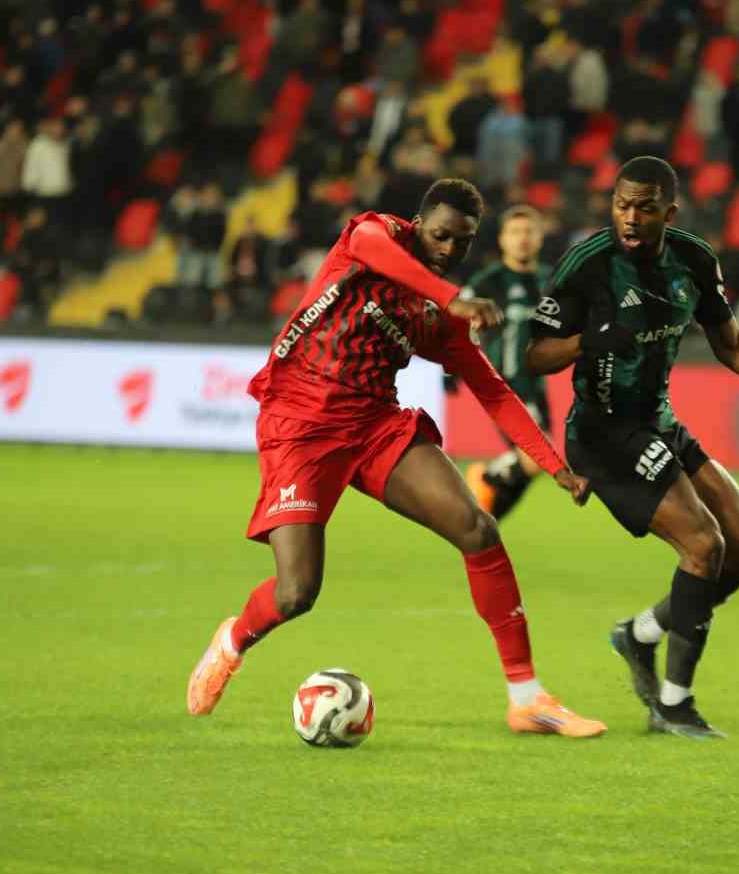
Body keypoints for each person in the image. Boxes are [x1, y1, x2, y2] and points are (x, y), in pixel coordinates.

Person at [187, 179, 606, 738]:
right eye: (440, 235)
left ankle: (527, 698)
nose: (449, 250)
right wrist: (450, 294)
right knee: (296, 593)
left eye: (462, 243)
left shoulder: (437, 313)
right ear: (418, 223)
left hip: (373, 425)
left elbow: (494, 390)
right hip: (300, 424)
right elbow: (372, 246)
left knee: (477, 528)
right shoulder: (374, 233)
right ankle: (233, 641)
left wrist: (554, 466)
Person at [527, 157, 739, 739]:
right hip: (602, 434)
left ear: (669, 213)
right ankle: (673, 704)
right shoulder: (588, 264)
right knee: (703, 544)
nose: (630, 216)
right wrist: (591, 338)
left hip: (660, 423)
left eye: (645, 207)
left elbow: (731, 345)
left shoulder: (694, 261)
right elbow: (535, 354)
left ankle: (640, 634)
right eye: (622, 204)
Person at [461, 206, 553, 521]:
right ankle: (486, 479)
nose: (522, 239)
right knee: (536, 456)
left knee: (541, 459)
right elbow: (457, 318)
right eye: (515, 232)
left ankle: (487, 519)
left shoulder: (550, 280)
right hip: (505, 382)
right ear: (502, 240)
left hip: (536, 384)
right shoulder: (489, 281)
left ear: (540, 238)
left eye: (529, 231)